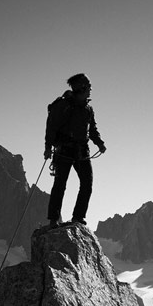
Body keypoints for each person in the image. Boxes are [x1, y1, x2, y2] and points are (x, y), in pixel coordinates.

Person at [44, 73, 107, 227]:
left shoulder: (87, 109)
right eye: (89, 86)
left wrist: (99, 143)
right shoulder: (63, 106)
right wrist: (47, 147)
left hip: (80, 150)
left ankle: (78, 217)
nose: (91, 89)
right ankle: (54, 219)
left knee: (86, 183)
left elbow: (92, 129)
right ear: (82, 88)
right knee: (61, 184)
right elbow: (51, 128)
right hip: (65, 150)